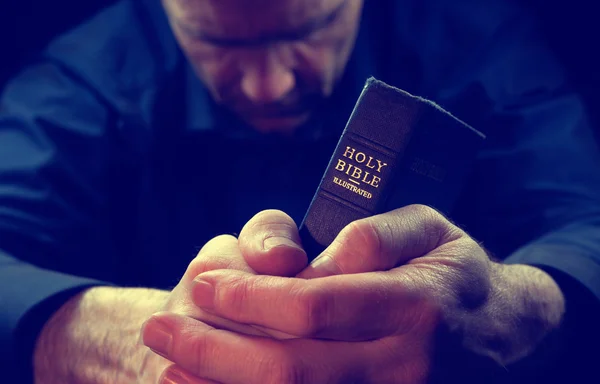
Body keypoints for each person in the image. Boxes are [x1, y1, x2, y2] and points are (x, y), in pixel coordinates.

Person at [1, 0, 599, 382]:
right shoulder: (83, 77)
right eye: (222, 44)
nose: (270, 85)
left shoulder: (477, 38)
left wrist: (516, 312)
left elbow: (586, 221)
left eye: (311, 29)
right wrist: (138, 340)